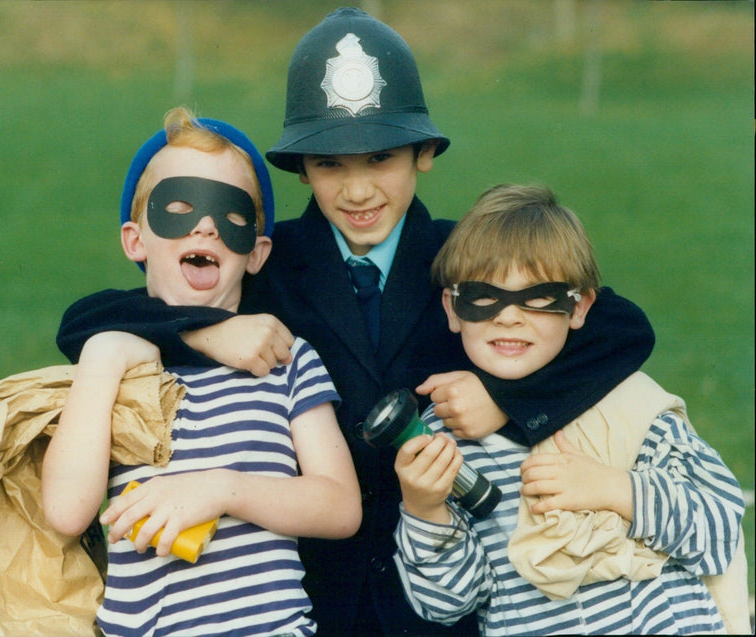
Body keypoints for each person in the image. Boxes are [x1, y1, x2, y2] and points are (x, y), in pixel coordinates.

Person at [54, 8, 656, 636]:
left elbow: (621, 326)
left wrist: (504, 395)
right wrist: (201, 328)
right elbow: (87, 320)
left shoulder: (466, 259)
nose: (358, 189)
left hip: (441, 595)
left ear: (423, 153)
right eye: (330, 165)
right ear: (301, 168)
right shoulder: (266, 262)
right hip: (304, 596)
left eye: (380, 158)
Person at [41, 106, 362, 637]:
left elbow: (340, 504)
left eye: (229, 215)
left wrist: (222, 489)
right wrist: (101, 359)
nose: (206, 225)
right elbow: (67, 511)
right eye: (179, 207)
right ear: (135, 240)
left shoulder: (285, 360)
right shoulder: (118, 368)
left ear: (256, 253)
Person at [392, 184, 745, 635]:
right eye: (483, 295)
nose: (509, 317)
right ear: (452, 308)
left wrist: (618, 489)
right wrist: (425, 509)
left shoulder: (629, 404)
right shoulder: (443, 440)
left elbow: (719, 533)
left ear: (578, 308)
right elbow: (446, 603)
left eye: (539, 297)